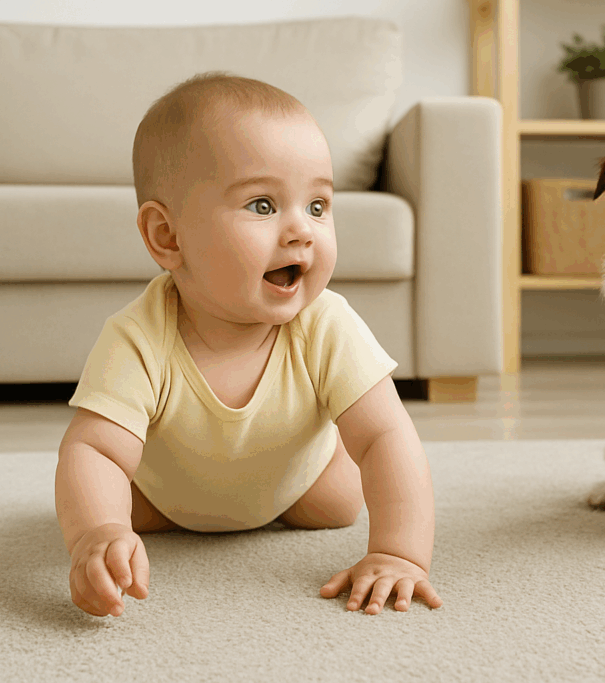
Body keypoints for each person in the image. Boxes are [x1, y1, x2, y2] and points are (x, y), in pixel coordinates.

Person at [55, 71, 442, 618]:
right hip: (167, 498)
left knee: (338, 500)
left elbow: (385, 435)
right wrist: (96, 533)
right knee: (118, 508)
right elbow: (93, 449)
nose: (302, 231)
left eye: (317, 206)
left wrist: (399, 553)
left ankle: (319, 463)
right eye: (262, 206)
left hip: (297, 486)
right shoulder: (138, 336)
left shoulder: (326, 323)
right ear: (168, 237)